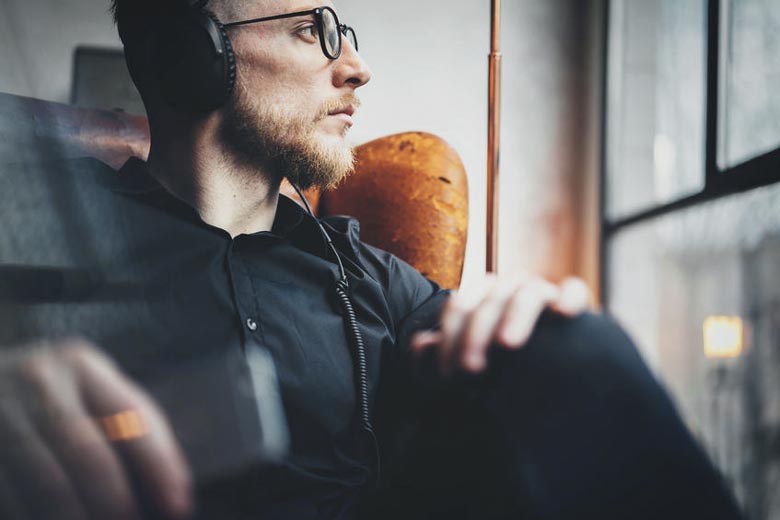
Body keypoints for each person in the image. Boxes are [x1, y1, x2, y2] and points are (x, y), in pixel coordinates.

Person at [0, 0, 742, 519]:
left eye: (342, 32)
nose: (355, 66)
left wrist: (521, 319)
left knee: (571, 345)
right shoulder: (47, 219)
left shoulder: (368, 277)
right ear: (195, 55)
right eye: (307, 31)